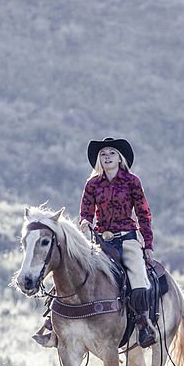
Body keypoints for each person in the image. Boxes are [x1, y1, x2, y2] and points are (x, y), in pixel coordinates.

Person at [32, 137, 157, 349]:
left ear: (120, 158)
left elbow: (143, 214)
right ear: (99, 159)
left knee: (138, 276)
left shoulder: (132, 181)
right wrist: (85, 223)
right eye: (104, 154)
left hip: (127, 238)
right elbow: (86, 211)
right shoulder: (92, 184)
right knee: (74, 270)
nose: (107, 157)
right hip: (100, 241)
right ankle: (53, 324)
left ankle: (144, 323)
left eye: (112, 153)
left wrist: (148, 244)